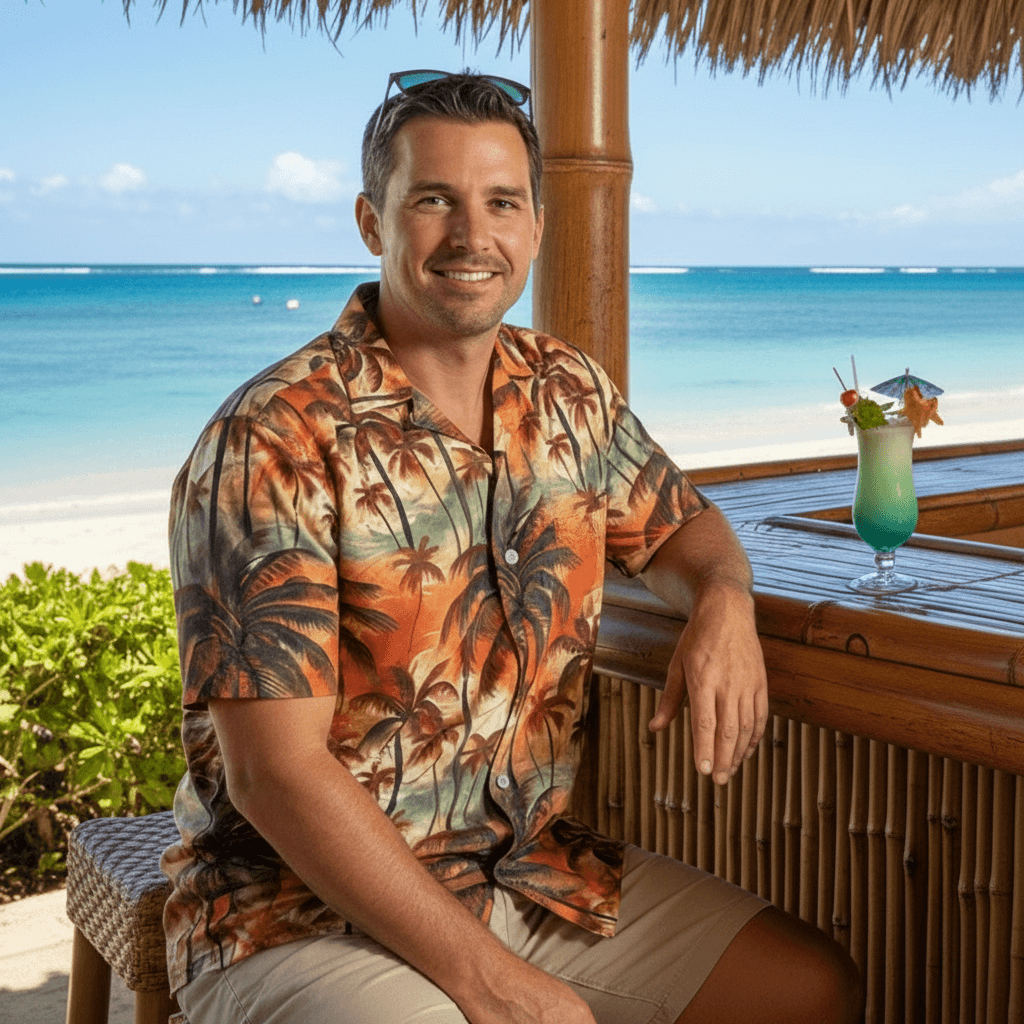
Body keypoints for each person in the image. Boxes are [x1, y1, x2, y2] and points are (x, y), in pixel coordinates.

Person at [162, 71, 864, 1024]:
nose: (470, 236)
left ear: (534, 226)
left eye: (500, 202)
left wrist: (723, 599)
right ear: (374, 222)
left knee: (806, 990)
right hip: (296, 912)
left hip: (527, 873)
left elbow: (681, 524)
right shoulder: (273, 436)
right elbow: (274, 774)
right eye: (432, 201)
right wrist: (490, 983)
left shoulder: (565, 388)